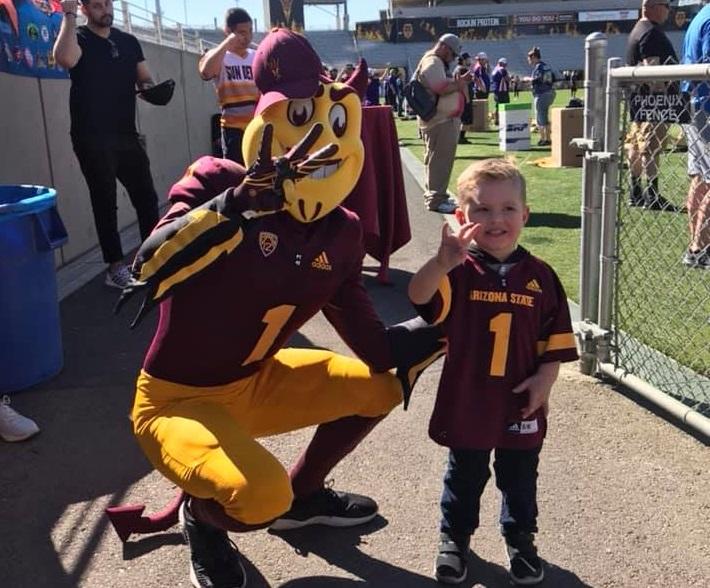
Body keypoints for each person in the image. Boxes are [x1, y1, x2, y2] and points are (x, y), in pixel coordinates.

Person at [116, 29, 443, 588]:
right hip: (175, 401)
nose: (315, 142)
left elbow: (375, 349)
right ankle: (205, 517)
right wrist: (236, 207)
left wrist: (447, 322)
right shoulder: (217, 180)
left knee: (380, 387)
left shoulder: (341, 233)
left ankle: (306, 495)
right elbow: (147, 268)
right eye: (296, 115)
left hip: (255, 382)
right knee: (260, 495)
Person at [408, 158, 578, 586]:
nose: (496, 219)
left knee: (519, 477)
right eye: (482, 209)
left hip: (521, 399)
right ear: (462, 216)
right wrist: (441, 263)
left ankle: (520, 538)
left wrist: (546, 379)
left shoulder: (541, 277)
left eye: (507, 209)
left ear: (525, 214)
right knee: (464, 473)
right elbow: (419, 297)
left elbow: (554, 339)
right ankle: (454, 537)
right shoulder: (459, 271)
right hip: (469, 397)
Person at [53, 0, 160, 289]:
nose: (105, 10)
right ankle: (115, 268)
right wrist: (67, 13)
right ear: (85, 9)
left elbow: (145, 78)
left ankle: (153, 258)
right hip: (91, 137)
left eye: (108, 3)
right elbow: (64, 59)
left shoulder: (128, 41)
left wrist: (153, 91)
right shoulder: (78, 38)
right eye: (97, 6)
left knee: (147, 198)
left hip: (126, 134)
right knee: (105, 203)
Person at [625, 0, 678, 210]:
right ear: (654, 7)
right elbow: (652, 68)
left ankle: (636, 191)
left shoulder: (638, 29)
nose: (669, 10)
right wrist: (661, 97)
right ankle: (652, 195)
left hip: (639, 101)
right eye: (666, 5)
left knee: (637, 145)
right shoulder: (651, 32)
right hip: (652, 101)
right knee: (651, 146)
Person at [413, 33, 471, 213]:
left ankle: (436, 196)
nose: (453, 59)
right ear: (444, 47)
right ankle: (436, 200)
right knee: (440, 161)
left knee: (436, 159)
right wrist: (459, 84)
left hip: (440, 120)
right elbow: (440, 86)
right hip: (440, 121)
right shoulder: (433, 61)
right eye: (452, 54)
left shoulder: (434, 61)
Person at [198, 8, 258, 165]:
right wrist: (226, 44)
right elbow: (206, 72)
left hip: (258, 126)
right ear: (228, 31)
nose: (247, 37)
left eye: (250, 31)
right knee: (236, 176)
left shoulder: (256, 56)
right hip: (233, 129)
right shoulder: (218, 56)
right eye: (242, 32)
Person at [680, 0, 710, 268]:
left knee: (701, 176)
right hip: (706, 105)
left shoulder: (699, 17)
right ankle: (700, 247)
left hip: (692, 104)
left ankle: (695, 244)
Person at [526, 47, 556, 147]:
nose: (529, 60)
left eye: (529, 58)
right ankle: (547, 138)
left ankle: (544, 139)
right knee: (544, 115)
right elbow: (553, 78)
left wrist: (529, 80)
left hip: (542, 94)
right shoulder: (546, 66)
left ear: (534, 57)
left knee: (540, 117)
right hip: (549, 92)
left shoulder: (539, 67)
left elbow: (538, 79)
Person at [454, 53, 473, 144]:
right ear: (464, 60)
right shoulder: (463, 70)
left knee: (461, 118)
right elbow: (464, 85)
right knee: (466, 119)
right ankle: (460, 137)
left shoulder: (457, 69)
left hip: (458, 97)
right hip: (463, 97)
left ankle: (460, 137)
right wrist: (467, 98)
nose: (470, 60)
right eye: (468, 59)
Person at [491, 57, 511, 126]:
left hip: (496, 90)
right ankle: (503, 119)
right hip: (502, 90)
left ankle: (496, 120)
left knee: (497, 106)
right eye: (505, 64)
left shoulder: (495, 70)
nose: (506, 65)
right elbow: (507, 79)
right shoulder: (502, 70)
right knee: (504, 105)